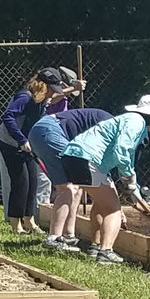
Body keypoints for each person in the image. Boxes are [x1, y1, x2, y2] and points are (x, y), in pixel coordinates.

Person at [59, 95, 150, 264]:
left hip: (74, 157)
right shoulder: (136, 122)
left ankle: (95, 246)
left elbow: (121, 154)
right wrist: (128, 175)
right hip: (87, 160)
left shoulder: (127, 119)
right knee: (113, 210)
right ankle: (106, 252)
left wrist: (132, 185)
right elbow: (122, 149)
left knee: (101, 204)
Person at [0, 67, 74, 238]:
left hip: (28, 145)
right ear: (43, 85)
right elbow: (8, 117)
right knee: (20, 182)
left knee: (33, 182)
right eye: (51, 89)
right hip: (11, 144)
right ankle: (16, 224)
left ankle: (29, 220)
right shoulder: (25, 97)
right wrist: (21, 140)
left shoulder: (42, 99)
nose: (53, 93)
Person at [29, 100, 112, 253]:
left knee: (77, 185)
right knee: (68, 188)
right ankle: (54, 238)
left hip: (42, 131)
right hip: (50, 132)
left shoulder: (109, 122)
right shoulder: (109, 127)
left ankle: (68, 235)